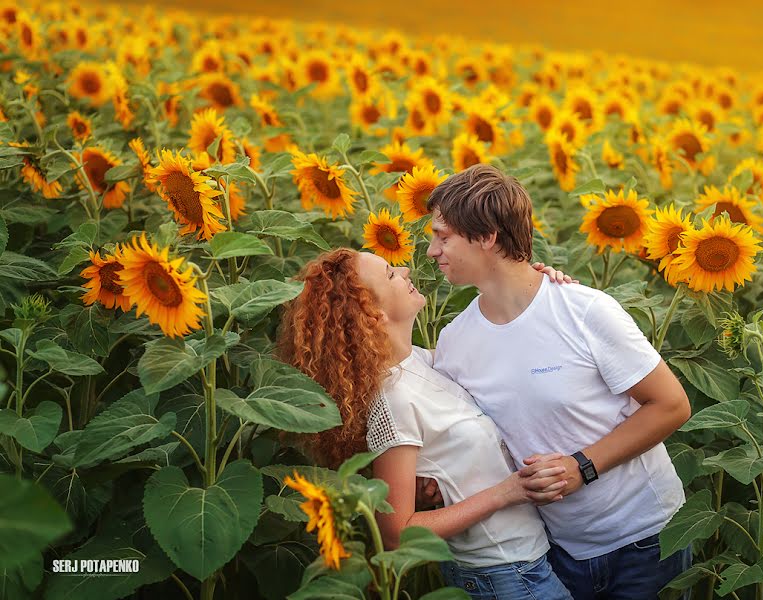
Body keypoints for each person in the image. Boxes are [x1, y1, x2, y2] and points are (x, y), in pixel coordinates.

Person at [425, 164, 692, 600]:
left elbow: (671, 405)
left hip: (644, 538)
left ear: (487, 235)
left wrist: (580, 467)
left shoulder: (584, 310)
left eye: (443, 236)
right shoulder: (455, 342)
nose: (433, 251)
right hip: (553, 550)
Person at [277, 247, 574, 599]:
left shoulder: (422, 362)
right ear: (372, 314)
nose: (404, 270)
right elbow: (398, 533)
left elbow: (501, 345)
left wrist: (535, 287)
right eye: (390, 274)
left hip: (528, 560)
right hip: (502, 575)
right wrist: (506, 492)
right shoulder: (394, 401)